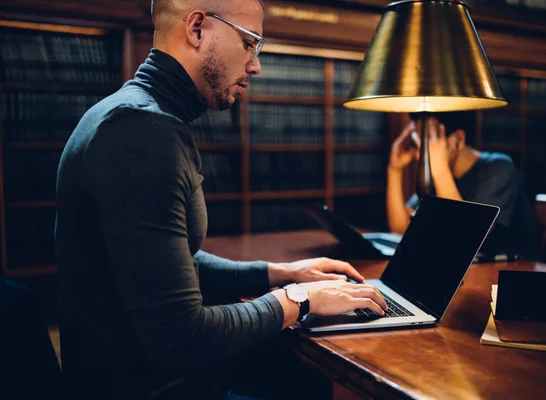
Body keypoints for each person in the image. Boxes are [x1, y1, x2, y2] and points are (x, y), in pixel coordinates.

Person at [54, 0, 388, 399]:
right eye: (250, 44)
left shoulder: (121, 114)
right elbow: (182, 338)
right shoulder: (143, 133)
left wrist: (280, 273)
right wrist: (301, 299)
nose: (256, 65)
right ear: (196, 28)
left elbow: (168, 260)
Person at [386, 112, 537, 259]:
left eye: (428, 142)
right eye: (418, 142)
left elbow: (467, 238)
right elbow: (401, 230)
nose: (419, 155)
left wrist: (440, 171)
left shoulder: (499, 169)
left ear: (459, 139)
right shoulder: (437, 177)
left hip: (507, 273)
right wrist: (394, 170)